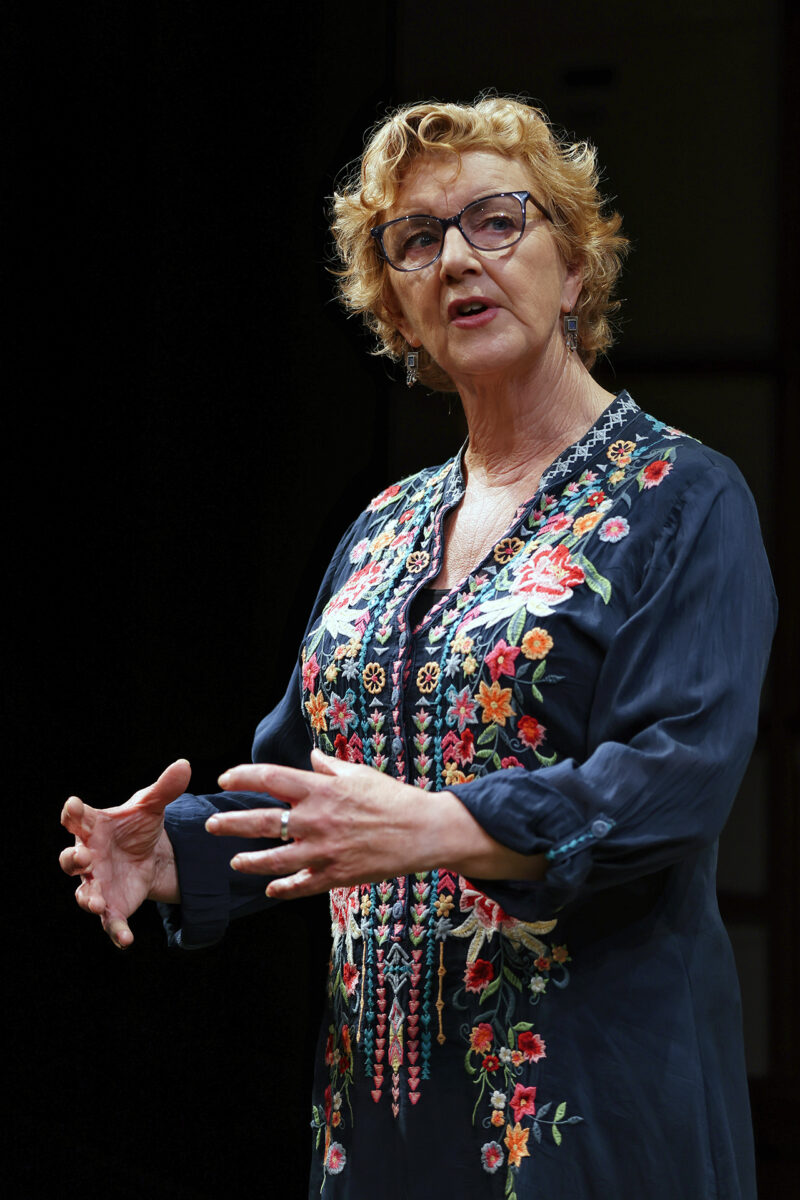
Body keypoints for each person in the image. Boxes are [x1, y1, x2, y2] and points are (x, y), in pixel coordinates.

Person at [60, 96, 776, 1198]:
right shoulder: (384, 524)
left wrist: (437, 825)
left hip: (589, 1113)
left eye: (496, 221)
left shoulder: (680, 497)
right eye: (414, 240)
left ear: (574, 267)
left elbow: (671, 780)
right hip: (376, 1125)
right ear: (393, 306)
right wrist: (172, 858)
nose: (455, 259)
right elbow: (306, 788)